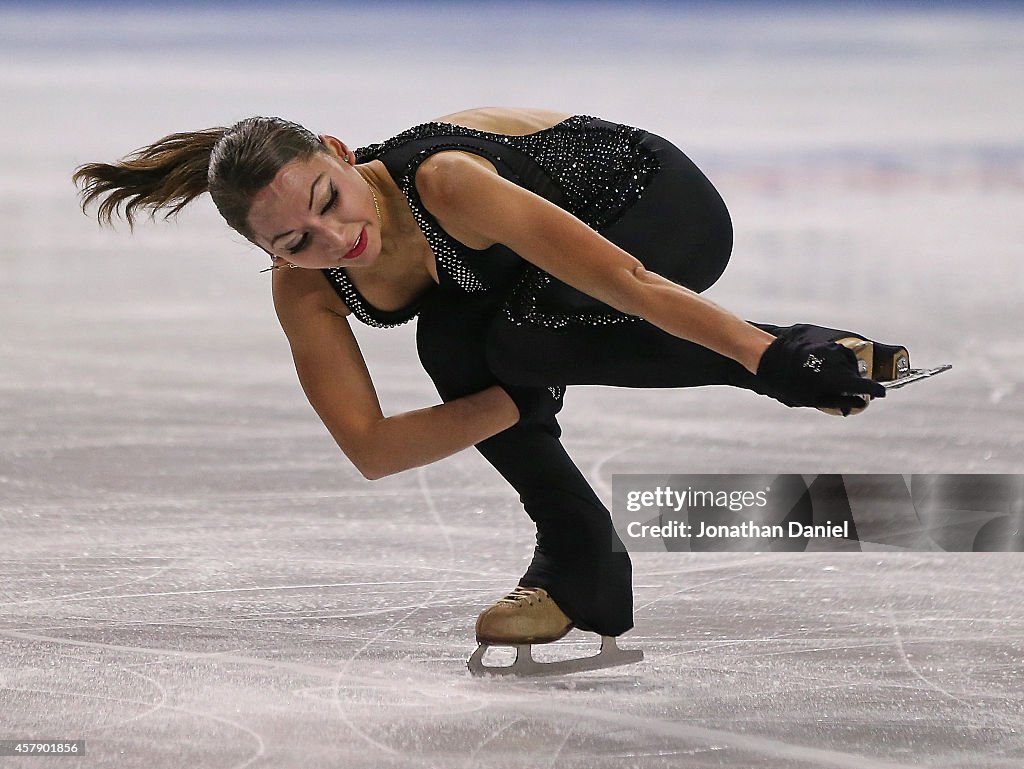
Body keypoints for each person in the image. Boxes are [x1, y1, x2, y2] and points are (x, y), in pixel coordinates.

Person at [73, 107, 898, 661]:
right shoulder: (306, 287)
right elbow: (372, 447)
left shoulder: (445, 183)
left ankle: (812, 348)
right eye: (295, 241)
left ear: (337, 151)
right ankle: (582, 560)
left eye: (329, 200)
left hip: (649, 208)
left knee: (517, 339)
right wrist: (512, 401)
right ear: (271, 255)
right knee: (460, 349)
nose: (337, 238)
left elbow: (632, 284)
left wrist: (765, 357)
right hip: (535, 287)